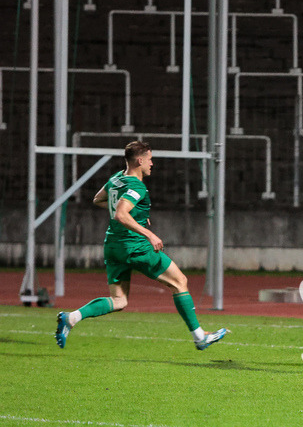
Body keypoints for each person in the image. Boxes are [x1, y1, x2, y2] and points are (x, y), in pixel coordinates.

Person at [54, 141, 229, 351]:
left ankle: (71, 318)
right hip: (135, 246)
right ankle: (200, 337)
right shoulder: (137, 185)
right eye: (150, 159)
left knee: (119, 301)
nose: (152, 163)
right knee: (180, 281)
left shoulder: (117, 179)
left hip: (113, 246)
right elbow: (120, 213)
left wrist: (133, 215)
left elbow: (98, 199)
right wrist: (149, 233)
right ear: (140, 160)